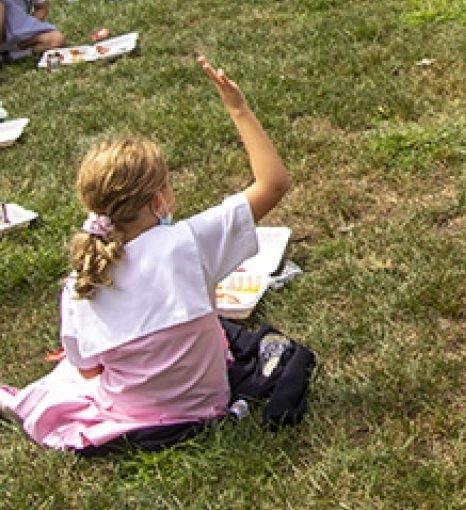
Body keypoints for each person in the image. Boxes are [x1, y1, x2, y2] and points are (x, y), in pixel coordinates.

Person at [0, 55, 292, 452]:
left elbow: (88, 370)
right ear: (159, 200)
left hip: (130, 415)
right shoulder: (189, 242)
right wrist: (238, 109)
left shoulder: (80, 284)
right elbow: (273, 183)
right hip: (206, 405)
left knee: (63, 381)